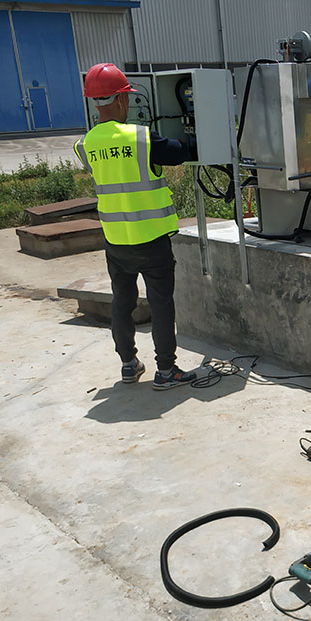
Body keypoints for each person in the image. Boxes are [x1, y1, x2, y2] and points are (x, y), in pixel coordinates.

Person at [74, 62, 197, 390]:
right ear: (121, 99)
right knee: (161, 303)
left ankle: (128, 364)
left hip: (116, 240)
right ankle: (166, 370)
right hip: (151, 238)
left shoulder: (85, 144)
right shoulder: (142, 138)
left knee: (122, 301)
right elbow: (179, 152)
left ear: (95, 102)